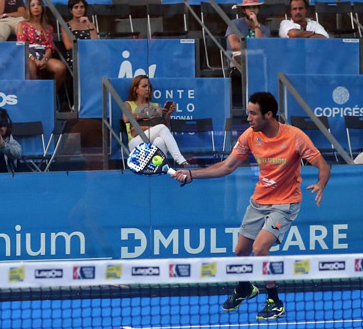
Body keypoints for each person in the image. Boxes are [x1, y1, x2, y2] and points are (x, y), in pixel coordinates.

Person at [173, 92, 330, 320]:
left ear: (268, 115)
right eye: (248, 112)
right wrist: (191, 174)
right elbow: (227, 167)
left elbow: (323, 165)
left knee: (260, 248)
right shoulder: (249, 136)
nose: (248, 117)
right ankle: (245, 287)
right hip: (259, 201)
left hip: (285, 203)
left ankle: (274, 301)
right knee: (240, 251)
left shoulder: (295, 137)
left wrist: (320, 184)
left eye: (253, 113)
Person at [123, 75, 187, 167]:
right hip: (135, 142)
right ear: (135, 89)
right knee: (160, 128)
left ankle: (160, 167)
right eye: (144, 86)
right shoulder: (128, 104)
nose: (148, 89)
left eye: (149, 86)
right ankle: (181, 160)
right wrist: (152, 113)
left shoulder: (155, 105)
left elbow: (165, 128)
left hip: (152, 139)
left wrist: (167, 114)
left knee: (160, 140)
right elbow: (126, 118)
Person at [17, 0, 66, 92]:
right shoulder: (22, 25)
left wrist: (44, 59)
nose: (36, 7)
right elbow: (22, 46)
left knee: (61, 68)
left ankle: (51, 95)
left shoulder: (48, 27)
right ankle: (35, 95)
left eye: (38, 4)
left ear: (42, 7)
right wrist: (35, 60)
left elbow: (49, 46)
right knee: (31, 68)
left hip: (44, 55)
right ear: (29, 9)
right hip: (28, 55)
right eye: (33, 5)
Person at [61, 0, 98, 69]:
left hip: (91, 55)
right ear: (71, 10)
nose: (79, 9)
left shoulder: (91, 25)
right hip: (75, 55)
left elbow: (95, 42)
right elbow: (68, 45)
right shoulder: (65, 25)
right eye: (76, 7)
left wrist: (89, 25)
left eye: (82, 7)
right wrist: (86, 45)